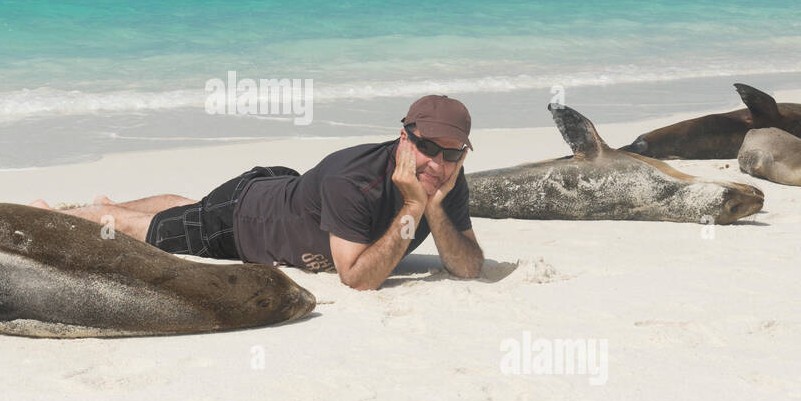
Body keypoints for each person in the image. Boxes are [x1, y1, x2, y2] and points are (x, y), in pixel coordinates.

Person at [32, 94, 483, 291]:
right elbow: (359, 279)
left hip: (280, 194)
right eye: (425, 148)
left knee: (190, 210)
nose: (437, 164)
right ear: (405, 138)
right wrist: (413, 205)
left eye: (451, 154)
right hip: (246, 221)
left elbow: (467, 266)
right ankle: (60, 215)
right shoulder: (356, 180)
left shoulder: (445, 178)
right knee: (150, 229)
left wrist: (437, 210)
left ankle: (105, 205)